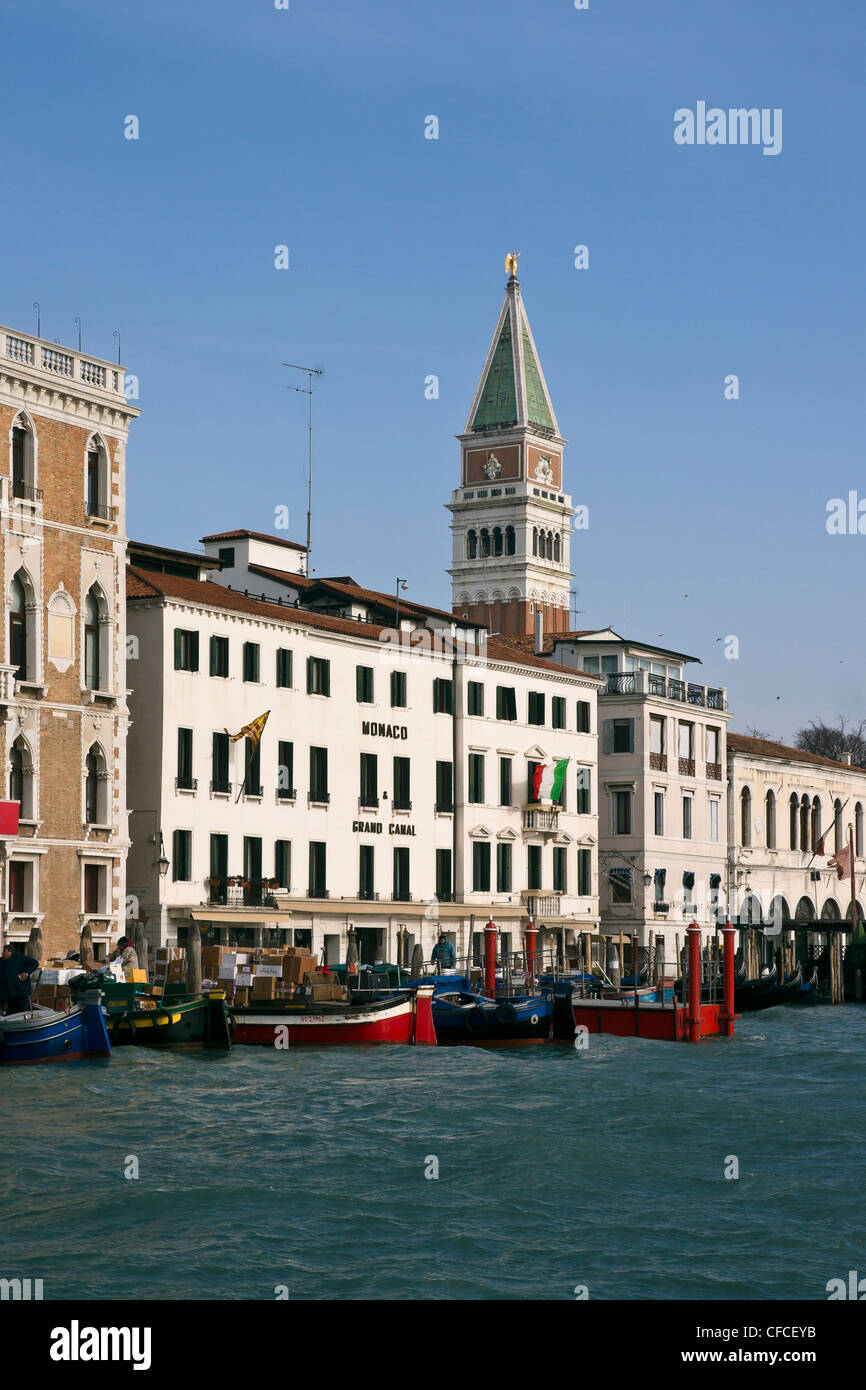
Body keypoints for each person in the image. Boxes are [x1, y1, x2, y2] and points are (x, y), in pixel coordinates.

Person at [0, 944, 40, 1015]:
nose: (2, 953)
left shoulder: (21, 958)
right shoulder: (2, 961)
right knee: (11, 1015)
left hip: (22, 993)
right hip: (9, 995)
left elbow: (35, 963)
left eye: (4, 951)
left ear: (10, 952)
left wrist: (26, 973)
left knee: (23, 1014)